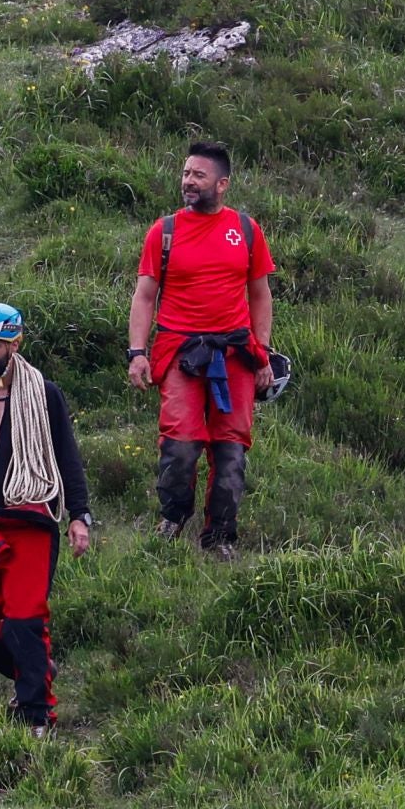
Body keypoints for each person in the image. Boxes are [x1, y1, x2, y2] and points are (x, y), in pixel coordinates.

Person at [0, 302, 93, 736]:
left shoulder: (44, 393)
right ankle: (37, 673)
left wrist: (79, 516)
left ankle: (35, 713)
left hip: (30, 521)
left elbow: (67, 457)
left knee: (26, 620)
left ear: (15, 343)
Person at [125, 141, 277, 561]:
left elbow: (261, 295)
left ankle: (220, 536)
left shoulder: (245, 229)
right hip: (180, 352)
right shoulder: (164, 230)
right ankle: (172, 518)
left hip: (235, 353)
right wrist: (137, 352)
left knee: (231, 448)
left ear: (222, 184)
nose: (188, 181)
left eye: (198, 175)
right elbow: (144, 296)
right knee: (182, 443)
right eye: (186, 173)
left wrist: (262, 354)